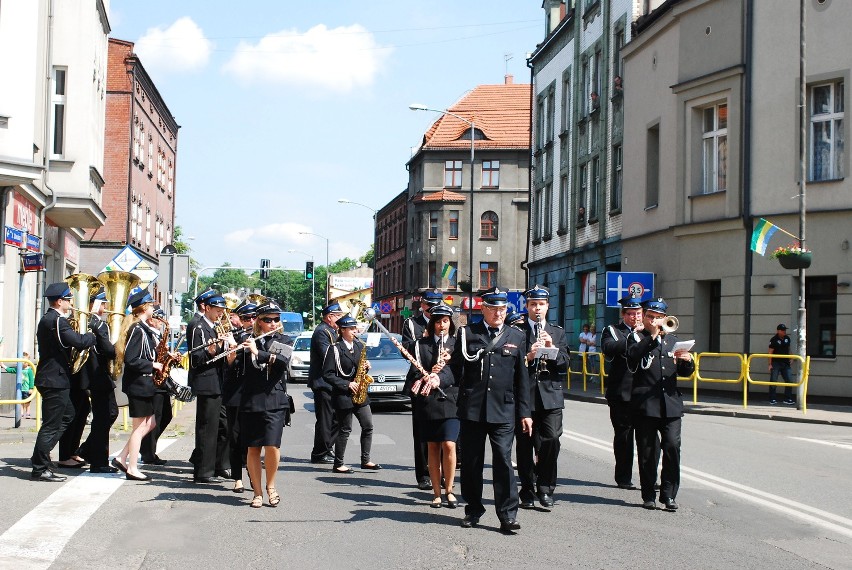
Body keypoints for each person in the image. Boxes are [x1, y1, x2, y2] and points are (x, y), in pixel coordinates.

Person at [446, 287, 532, 534]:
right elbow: (455, 369)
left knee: (504, 461)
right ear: (483, 308)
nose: (498, 313)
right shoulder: (467, 333)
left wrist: (525, 412)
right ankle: (473, 509)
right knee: (472, 463)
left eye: (502, 309)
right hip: (473, 408)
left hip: (503, 409)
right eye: (493, 308)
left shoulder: (516, 336)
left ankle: (507, 515)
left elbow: (522, 379)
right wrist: (436, 379)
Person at [627, 298, 694, 511]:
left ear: (665, 318)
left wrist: (687, 361)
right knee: (649, 452)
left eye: (659, 318)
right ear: (644, 317)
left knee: (673, 447)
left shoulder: (673, 341)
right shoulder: (636, 338)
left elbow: (683, 373)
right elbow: (633, 356)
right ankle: (648, 494)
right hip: (646, 405)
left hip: (671, 404)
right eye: (651, 317)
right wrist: (653, 337)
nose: (655, 321)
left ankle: (669, 495)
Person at [30, 282, 96, 482]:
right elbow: (77, 341)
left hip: (54, 377)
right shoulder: (57, 321)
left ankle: (40, 457)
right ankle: (40, 467)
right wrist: (91, 335)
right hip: (54, 379)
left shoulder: (49, 319)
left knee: (68, 415)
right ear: (59, 301)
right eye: (68, 299)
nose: (71, 302)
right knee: (51, 424)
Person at [516, 285, 569, 510]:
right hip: (525, 395)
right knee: (525, 445)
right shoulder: (517, 332)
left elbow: (566, 363)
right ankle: (527, 488)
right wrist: (528, 356)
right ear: (527, 306)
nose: (537, 308)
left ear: (548, 306)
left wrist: (551, 347)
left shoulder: (557, 332)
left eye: (541, 304)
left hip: (550, 395)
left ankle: (546, 487)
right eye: (533, 304)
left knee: (551, 440)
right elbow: (509, 364)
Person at [234, 301, 292, 508]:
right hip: (251, 400)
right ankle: (257, 492)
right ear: (258, 322)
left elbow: (283, 362)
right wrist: (232, 352)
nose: (273, 323)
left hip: (275, 400)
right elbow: (236, 369)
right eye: (268, 320)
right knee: (253, 448)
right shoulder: (247, 339)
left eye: (276, 319)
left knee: (272, 445)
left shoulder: (284, 340)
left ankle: (271, 485)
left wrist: (259, 353)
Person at [408, 303, 459, 508]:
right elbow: (414, 372)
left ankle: (450, 489)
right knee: (432, 446)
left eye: (445, 321)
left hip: (451, 400)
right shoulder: (420, 345)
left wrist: (442, 374)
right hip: (428, 401)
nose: (441, 325)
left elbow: (460, 372)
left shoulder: (457, 344)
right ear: (433, 324)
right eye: (438, 322)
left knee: (449, 444)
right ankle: (437, 493)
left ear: (450, 323)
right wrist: (425, 375)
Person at [111, 289, 161, 482]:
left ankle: (122, 457)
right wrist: (153, 364)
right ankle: (132, 467)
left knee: (150, 423)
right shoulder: (137, 330)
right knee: (140, 427)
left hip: (144, 383)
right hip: (138, 384)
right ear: (144, 307)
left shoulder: (142, 328)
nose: (153, 308)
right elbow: (131, 360)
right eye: (151, 305)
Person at [322, 315, 381, 474]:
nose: (356, 331)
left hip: (360, 392)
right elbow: (327, 374)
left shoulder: (359, 346)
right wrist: (347, 384)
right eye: (352, 329)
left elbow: (359, 367)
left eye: (356, 328)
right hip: (344, 395)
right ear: (343, 330)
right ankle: (338, 463)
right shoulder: (334, 348)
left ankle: (365, 460)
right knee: (345, 429)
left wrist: (366, 367)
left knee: (368, 426)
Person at [600, 296, 644, 490]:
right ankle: (624, 477)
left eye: (638, 313)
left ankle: (649, 478)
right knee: (624, 437)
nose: (635, 317)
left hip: (644, 393)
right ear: (623, 314)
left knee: (647, 439)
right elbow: (610, 348)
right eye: (631, 314)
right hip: (621, 393)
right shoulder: (612, 331)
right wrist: (633, 336)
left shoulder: (648, 333)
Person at [188, 294, 233, 483]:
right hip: (207, 382)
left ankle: (218, 464)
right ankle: (203, 471)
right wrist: (212, 349)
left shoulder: (212, 326)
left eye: (222, 311)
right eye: (217, 311)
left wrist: (227, 346)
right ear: (206, 308)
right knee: (207, 428)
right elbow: (195, 358)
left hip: (218, 381)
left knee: (222, 425)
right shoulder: (198, 326)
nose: (220, 314)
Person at [74, 289, 120, 474]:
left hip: (97, 376)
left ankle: (86, 451)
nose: (106, 307)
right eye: (102, 304)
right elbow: (109, 351)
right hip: (97, 376)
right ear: (94, 305)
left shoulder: (89, 322)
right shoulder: (96, 324)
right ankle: (98, 461)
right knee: (103, 417)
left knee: (110, 413)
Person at [402, 288, 443, 490]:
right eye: (430, 305)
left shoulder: (446, 321)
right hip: (419, 379)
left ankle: (441, 472)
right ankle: (424, 475)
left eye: (437, 305)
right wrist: (423, 339)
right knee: (421, 431)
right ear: (423, 305)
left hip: (442, 380)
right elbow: (405, 350)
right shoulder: (412, 323)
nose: (433, 309)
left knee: (443, 430)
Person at [222, 299, 258, 493]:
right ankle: (237, 477)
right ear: (241, 320)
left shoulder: (261, 338)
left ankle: (254, 476)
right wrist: (232, 347)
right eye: (246, 318)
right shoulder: (234, 336)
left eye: (254, 317)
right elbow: (229, 365)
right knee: (235, 437)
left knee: (252, 439)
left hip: (255, 394)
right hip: (236, 393)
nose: (250, 321)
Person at [308, 302, 346, 464]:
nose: (342, 319)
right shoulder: (322, 332)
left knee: (335, 419)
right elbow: (328, 355)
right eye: (339, 316)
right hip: (323, 382)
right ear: (330, 317)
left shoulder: (332, 331)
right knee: (326, 419)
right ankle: (320, 452)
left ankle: (327, 448)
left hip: (331, 382)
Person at [140, 306, 174, 467]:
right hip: (153, 381)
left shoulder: (157, 334)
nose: (161, 322)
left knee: (165, 416)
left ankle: (148, 448)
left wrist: (169, 356)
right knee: (156, 418)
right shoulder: (146, 332)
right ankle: (148, 452)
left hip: (161, 380)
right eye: (158, 319)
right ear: (151, 320)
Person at [768, 324, 795, 405]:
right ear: (778, 331)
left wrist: (792, 357)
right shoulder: (774, 339)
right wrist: (770, 364)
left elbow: (788, 349)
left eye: (785, 330)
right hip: (776, 362)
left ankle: (787, 398)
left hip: (785, 362)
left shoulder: (787, 338)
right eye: (783, 330)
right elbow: (770, 352)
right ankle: (772, 399)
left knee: (789, 380)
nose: (784, 332)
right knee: (773, 380)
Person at [5, 351, 35, 419]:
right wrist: (3, 365)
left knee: (27, 402)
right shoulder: (19, 369)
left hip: (27, 389)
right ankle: (21, 413)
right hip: (20, 389)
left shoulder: (29, 370)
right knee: (20, 402)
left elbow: (31, 380)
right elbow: (11, 370)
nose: (24, 363)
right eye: (23, 361)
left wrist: (31, 388)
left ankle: (28, 413)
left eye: (26, 361)